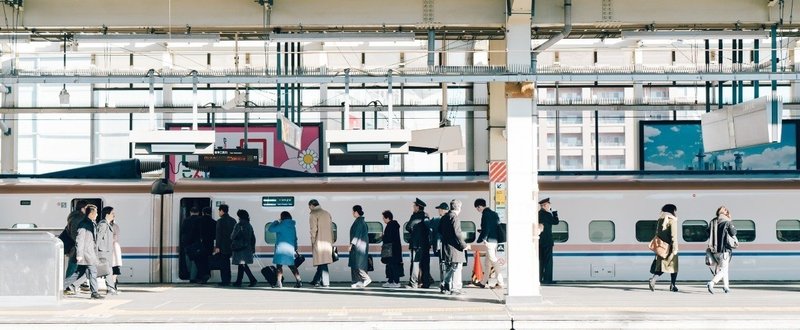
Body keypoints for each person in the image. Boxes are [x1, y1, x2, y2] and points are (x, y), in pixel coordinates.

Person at [64, 205, 104, 299]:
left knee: (80, 273)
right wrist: (79, 254)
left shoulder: (91, 223)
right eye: (96, 212)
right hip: (87, 254)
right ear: (91, 213)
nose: (97, 214)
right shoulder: (84, 224)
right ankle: (94, 293)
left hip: (89, 253)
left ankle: (65, 286)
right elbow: (79, 240)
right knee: (93, 272)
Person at [439, 199, 470, 295]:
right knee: (456, 268)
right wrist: (464, 245)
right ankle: (456, 288)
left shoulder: (444, 217)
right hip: (455, 249)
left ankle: (446, 286)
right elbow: (458, 233)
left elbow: (439, 230)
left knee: (449, 268)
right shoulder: (455, 218)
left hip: (446, 248)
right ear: (459, 208)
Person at [648, 204, 680, 292]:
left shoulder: (660, 220)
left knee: (662, 266)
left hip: (661, 248)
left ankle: (670, 285)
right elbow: (674, 236)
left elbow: (658, 234)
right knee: (673, 267)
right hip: (670, 248)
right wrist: (675, 249)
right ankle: (669, 284)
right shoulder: (672, 220)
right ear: (672, 211)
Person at [475, 198, 505, 289]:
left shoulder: (485, 214)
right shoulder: (494, 214)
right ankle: (483, 282)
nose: (477, 210)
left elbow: (487, 228)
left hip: (489, 241)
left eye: (477, 208)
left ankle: (500, 282)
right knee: (487, 263)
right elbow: (495, 227)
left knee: (493, 260)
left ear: (480, 206)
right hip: (495, 240)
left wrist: (483, 238)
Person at [706, 206, 737, 294]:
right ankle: (711, 283)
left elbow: (708, 233)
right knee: (723, 270)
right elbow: (734, 232)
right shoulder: (727, 222)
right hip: (724, 250)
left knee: (724, 269)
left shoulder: (712, 221)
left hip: (714, 250)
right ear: (726, 213)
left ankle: (726, 287)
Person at [268, 211, 302, 288]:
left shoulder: (281, 225)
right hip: (290, 248)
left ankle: (279, 283)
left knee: (279, 266)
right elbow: (295, 238)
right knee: (292, 266)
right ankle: (299, 281)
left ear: (282, 217)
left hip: (281, 249)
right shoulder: (293, 226)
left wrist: (275, 222)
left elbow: (270, 229)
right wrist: (295, 247)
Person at [63, 200, 89, 295]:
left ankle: (74, 285)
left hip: (76, 246)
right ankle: (67, 287)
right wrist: (80, 245)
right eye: (87, 208)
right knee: (73, 267)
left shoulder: (75, 217)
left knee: (76, 267)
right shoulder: (78, 218)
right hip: (76, 247)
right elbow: (76, 234)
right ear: (83, 208)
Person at [406, 198, 431, 289]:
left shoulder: (415, 216)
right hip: (425, 244)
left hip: (416, 244)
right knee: (425, 264)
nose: (413, 207)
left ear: (418, 207)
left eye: (414, 206)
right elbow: (429, 229)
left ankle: (413, 283)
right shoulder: (426, 216)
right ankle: (426, 283)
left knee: (415, 264)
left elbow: (408, 227)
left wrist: (414, 231)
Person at [308, 199, 334, 288]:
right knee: (322, 261)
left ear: (311, 205)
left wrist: (313, 240)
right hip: (328, 242)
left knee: (322, 262)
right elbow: (331, 229)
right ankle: (316, 280)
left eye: (309, 207)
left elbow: (313, 229)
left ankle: (326, 282)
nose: (309, 209)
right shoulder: (327, 213)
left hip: (319, 242)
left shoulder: (313, 214)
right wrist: (332, 240)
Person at [230, 209, 257, 287]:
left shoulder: (238, 225)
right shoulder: (249, 225)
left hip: (240, 248)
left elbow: (232, 236)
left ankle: (252, 280)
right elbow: (253, 237)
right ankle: (239, 281)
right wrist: (253, 248)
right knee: (241, 265)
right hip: (247, 248)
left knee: (243, 265)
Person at [95, 206, 118, 295]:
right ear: (107, 214)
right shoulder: (103, 224)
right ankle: (111, 288)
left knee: (91, 271)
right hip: (103, 252)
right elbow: (98, 238)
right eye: (112, 213)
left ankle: (72, 285)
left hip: (106, 252)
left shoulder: (107, 224)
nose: (114, 215)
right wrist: (95, 252)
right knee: (108, 270)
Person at [348, 205, 372, 288]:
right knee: (355, 264)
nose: (352, 213)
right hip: (359, 246)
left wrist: (352, 244)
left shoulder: (359, 222)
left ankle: (366, 278)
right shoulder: (360, 221)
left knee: (358, 264)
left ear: (356, 212)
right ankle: (358, 281)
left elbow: (357, 235)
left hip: (359, 247)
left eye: (353, 211)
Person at [538, 197, 559, 285]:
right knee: (548, 261)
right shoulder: (547, 214)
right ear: (545, 205)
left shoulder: (538, 214)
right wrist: (554, 213)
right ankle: (548, 279)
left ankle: (540, 278)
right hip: (547, 241)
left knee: (541, 261)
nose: (549, 207)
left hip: (539, 242)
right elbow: (556, 222)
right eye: (548, 205)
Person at [214, 204, 237, 286]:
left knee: (223, 264)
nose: (219, 213)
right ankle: (228, 279)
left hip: (223, 247)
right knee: (227, 263)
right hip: (231, 246)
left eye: (219, 211)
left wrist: (217, 247)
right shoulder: (233, 220)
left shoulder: (220, 221)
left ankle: (225, 281)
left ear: (221, 211)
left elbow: (218, 235)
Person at [194, 207, 217, 284]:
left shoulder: (198, 221)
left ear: (203, 213)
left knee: (199, 260)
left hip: (200, 244)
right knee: (208, 260)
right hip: (210, 244)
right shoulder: (214, 222)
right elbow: (215, 235)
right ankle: (207, 274)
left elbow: (195, 232)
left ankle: (202, 275)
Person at [381, 210, 403, 288]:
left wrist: (383, 237)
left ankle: (396, 282)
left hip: (392, 250)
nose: (383, 219)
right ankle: (390, 281)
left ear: (387, 218)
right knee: (390, 265)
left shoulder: (391, 225)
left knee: (393, 266)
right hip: (392, 250)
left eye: (383, 218)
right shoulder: (392, 225)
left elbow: (388, 238)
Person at [430, 202, 449, 286]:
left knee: (442, 265)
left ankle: (443, 282)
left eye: (439, 209)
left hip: (440, 246)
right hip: (448, 246)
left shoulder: (436, 220)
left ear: (443, 210)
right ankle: (447, 282)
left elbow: (432, 231)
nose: (438, 211)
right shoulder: (451, 218)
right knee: (448, 265)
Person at [181, 207, 202, 283]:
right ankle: (193, 277)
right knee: (196, 261)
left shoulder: (186, 220)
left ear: (190, 212)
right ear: (198, 212)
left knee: (188, 260)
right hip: (197, 243)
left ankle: (190, 274)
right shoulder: (200, 220)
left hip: (187, 243)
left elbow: (182, 231)